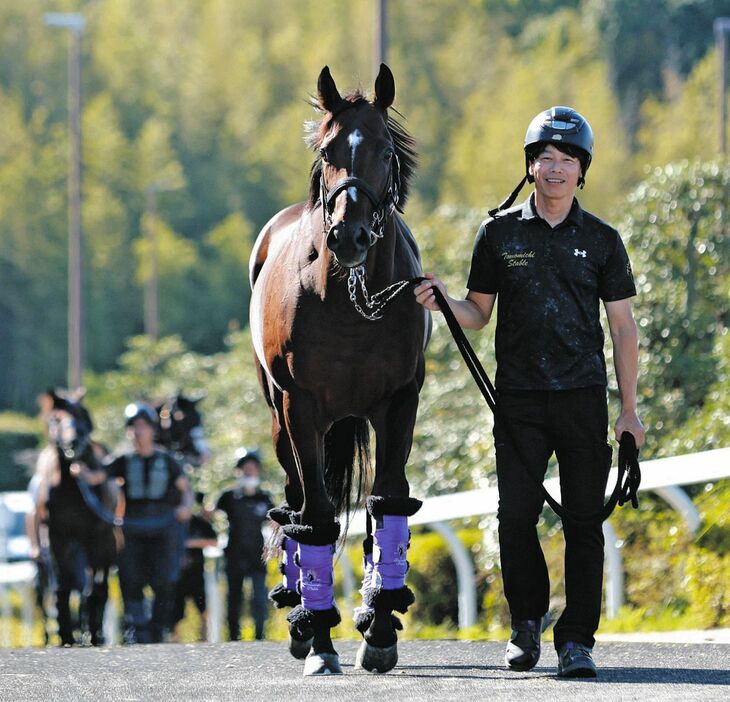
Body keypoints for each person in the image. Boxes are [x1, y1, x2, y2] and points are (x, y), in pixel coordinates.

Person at [414, 106, 645, 678]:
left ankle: (576, 641)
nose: (556, 170)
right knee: (515, 517)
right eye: (546, 159)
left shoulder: (603, 241)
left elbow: (622, 328)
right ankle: (525, 626)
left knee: (584, 523)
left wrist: (631, 412)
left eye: (567, 160)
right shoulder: (498, 234)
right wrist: (443, 299)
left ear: (582, 170)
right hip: (516, 399)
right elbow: (478, 313)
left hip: (583, 396)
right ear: (530, 165)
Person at [79, 402, 193, 644]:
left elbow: (186, 491)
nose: (138, 432)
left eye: (142, 426)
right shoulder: (121, 460)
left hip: (163, 527)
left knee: (164, 581)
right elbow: (97, 477)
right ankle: (137, 632)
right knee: (130, 580)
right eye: (134, 427)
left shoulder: (167, 460)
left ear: (152, 429)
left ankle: (159, 630)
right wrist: (80, 471)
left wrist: (185, 507)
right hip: (132, 528)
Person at [215, 448, 273, 641]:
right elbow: (211, 514)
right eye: (245, 468)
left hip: (257, 553)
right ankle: (233, 637)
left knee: (258, 597)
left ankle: (260, 635)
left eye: (253, 468)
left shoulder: (265, 498)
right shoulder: (228, 497)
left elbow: (275, 523)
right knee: (234, 598)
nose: (249, 472)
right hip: (234, 553)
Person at [171, 492, 218, 642]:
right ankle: (174, 637)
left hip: (196, 572)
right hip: (176, 574)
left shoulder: (200, 523)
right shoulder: (171, 522)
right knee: (175, 607)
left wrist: (190, 543)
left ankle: (204, 636)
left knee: (202, 605)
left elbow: (214, 541)